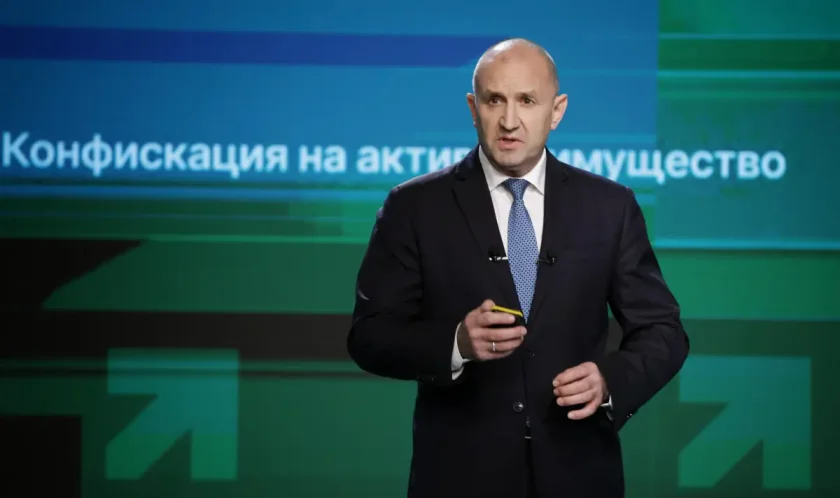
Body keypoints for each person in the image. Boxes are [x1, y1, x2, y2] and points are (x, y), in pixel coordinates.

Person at [346, 38, 689, 498]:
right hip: (459, 478)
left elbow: (663, 331)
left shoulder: (609, 208)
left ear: (556, 110)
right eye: (495, 100)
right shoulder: (414, 207)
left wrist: (611, 380)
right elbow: (370, 336)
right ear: (474, 109)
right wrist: (455, 343)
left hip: (578, 474)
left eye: (527, 100)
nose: (509, 121)